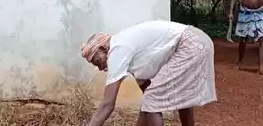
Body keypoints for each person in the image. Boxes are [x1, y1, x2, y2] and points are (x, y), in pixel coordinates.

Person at [79, 20, 217, 126]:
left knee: (152, 100)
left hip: (191, 44)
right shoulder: (125, 50)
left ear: (103, 48)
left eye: (97, 61)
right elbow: (147, 92)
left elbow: (107, 105)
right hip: (199, 41)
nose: (101, 67)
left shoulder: (117, 50)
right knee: (171, 98)